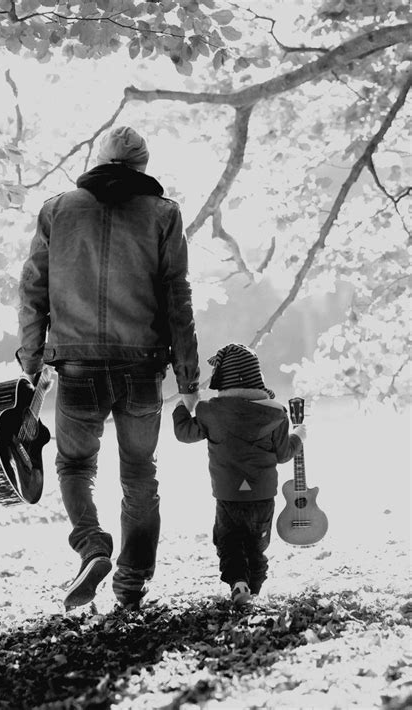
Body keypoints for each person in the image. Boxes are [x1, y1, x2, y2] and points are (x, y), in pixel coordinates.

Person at [17, 125, 200, 611]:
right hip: (140, 368)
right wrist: (188, 378)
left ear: (100, 161)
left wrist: (33, 360)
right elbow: (176, 295)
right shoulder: (164, 213)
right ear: (142, 165)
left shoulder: (57, 209)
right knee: (140, 473)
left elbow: (33, 287)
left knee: (75, 465)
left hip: (75, 367)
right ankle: (131, 584)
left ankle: (92, 545)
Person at [172, 343, 306, 607]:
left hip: (228, 495)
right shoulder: (277, 413)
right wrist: (298, 437)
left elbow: (183, 433)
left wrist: (183, 405)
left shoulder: (210, 411)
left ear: (223, 380)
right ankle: (254, 591)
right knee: (256, 546)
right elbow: (283, 454)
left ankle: (238, 582)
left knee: (229, 541)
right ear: (258, 378)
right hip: (262, 495)